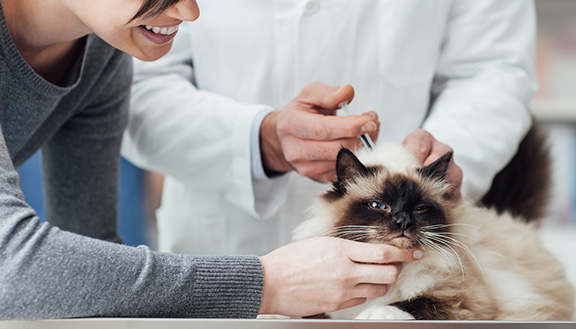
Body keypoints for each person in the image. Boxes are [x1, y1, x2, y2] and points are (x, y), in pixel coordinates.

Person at [0, 0, 421, 320]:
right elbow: (11, 267)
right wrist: (265, 283)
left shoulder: (99, 56)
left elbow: (89, 260)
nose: (190, 11)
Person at [123, 0, 537, 256]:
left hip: (406, 257)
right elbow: (132, 83)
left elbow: (493, 69)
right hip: (226, 243)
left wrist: (436, 168)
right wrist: (259, 141)